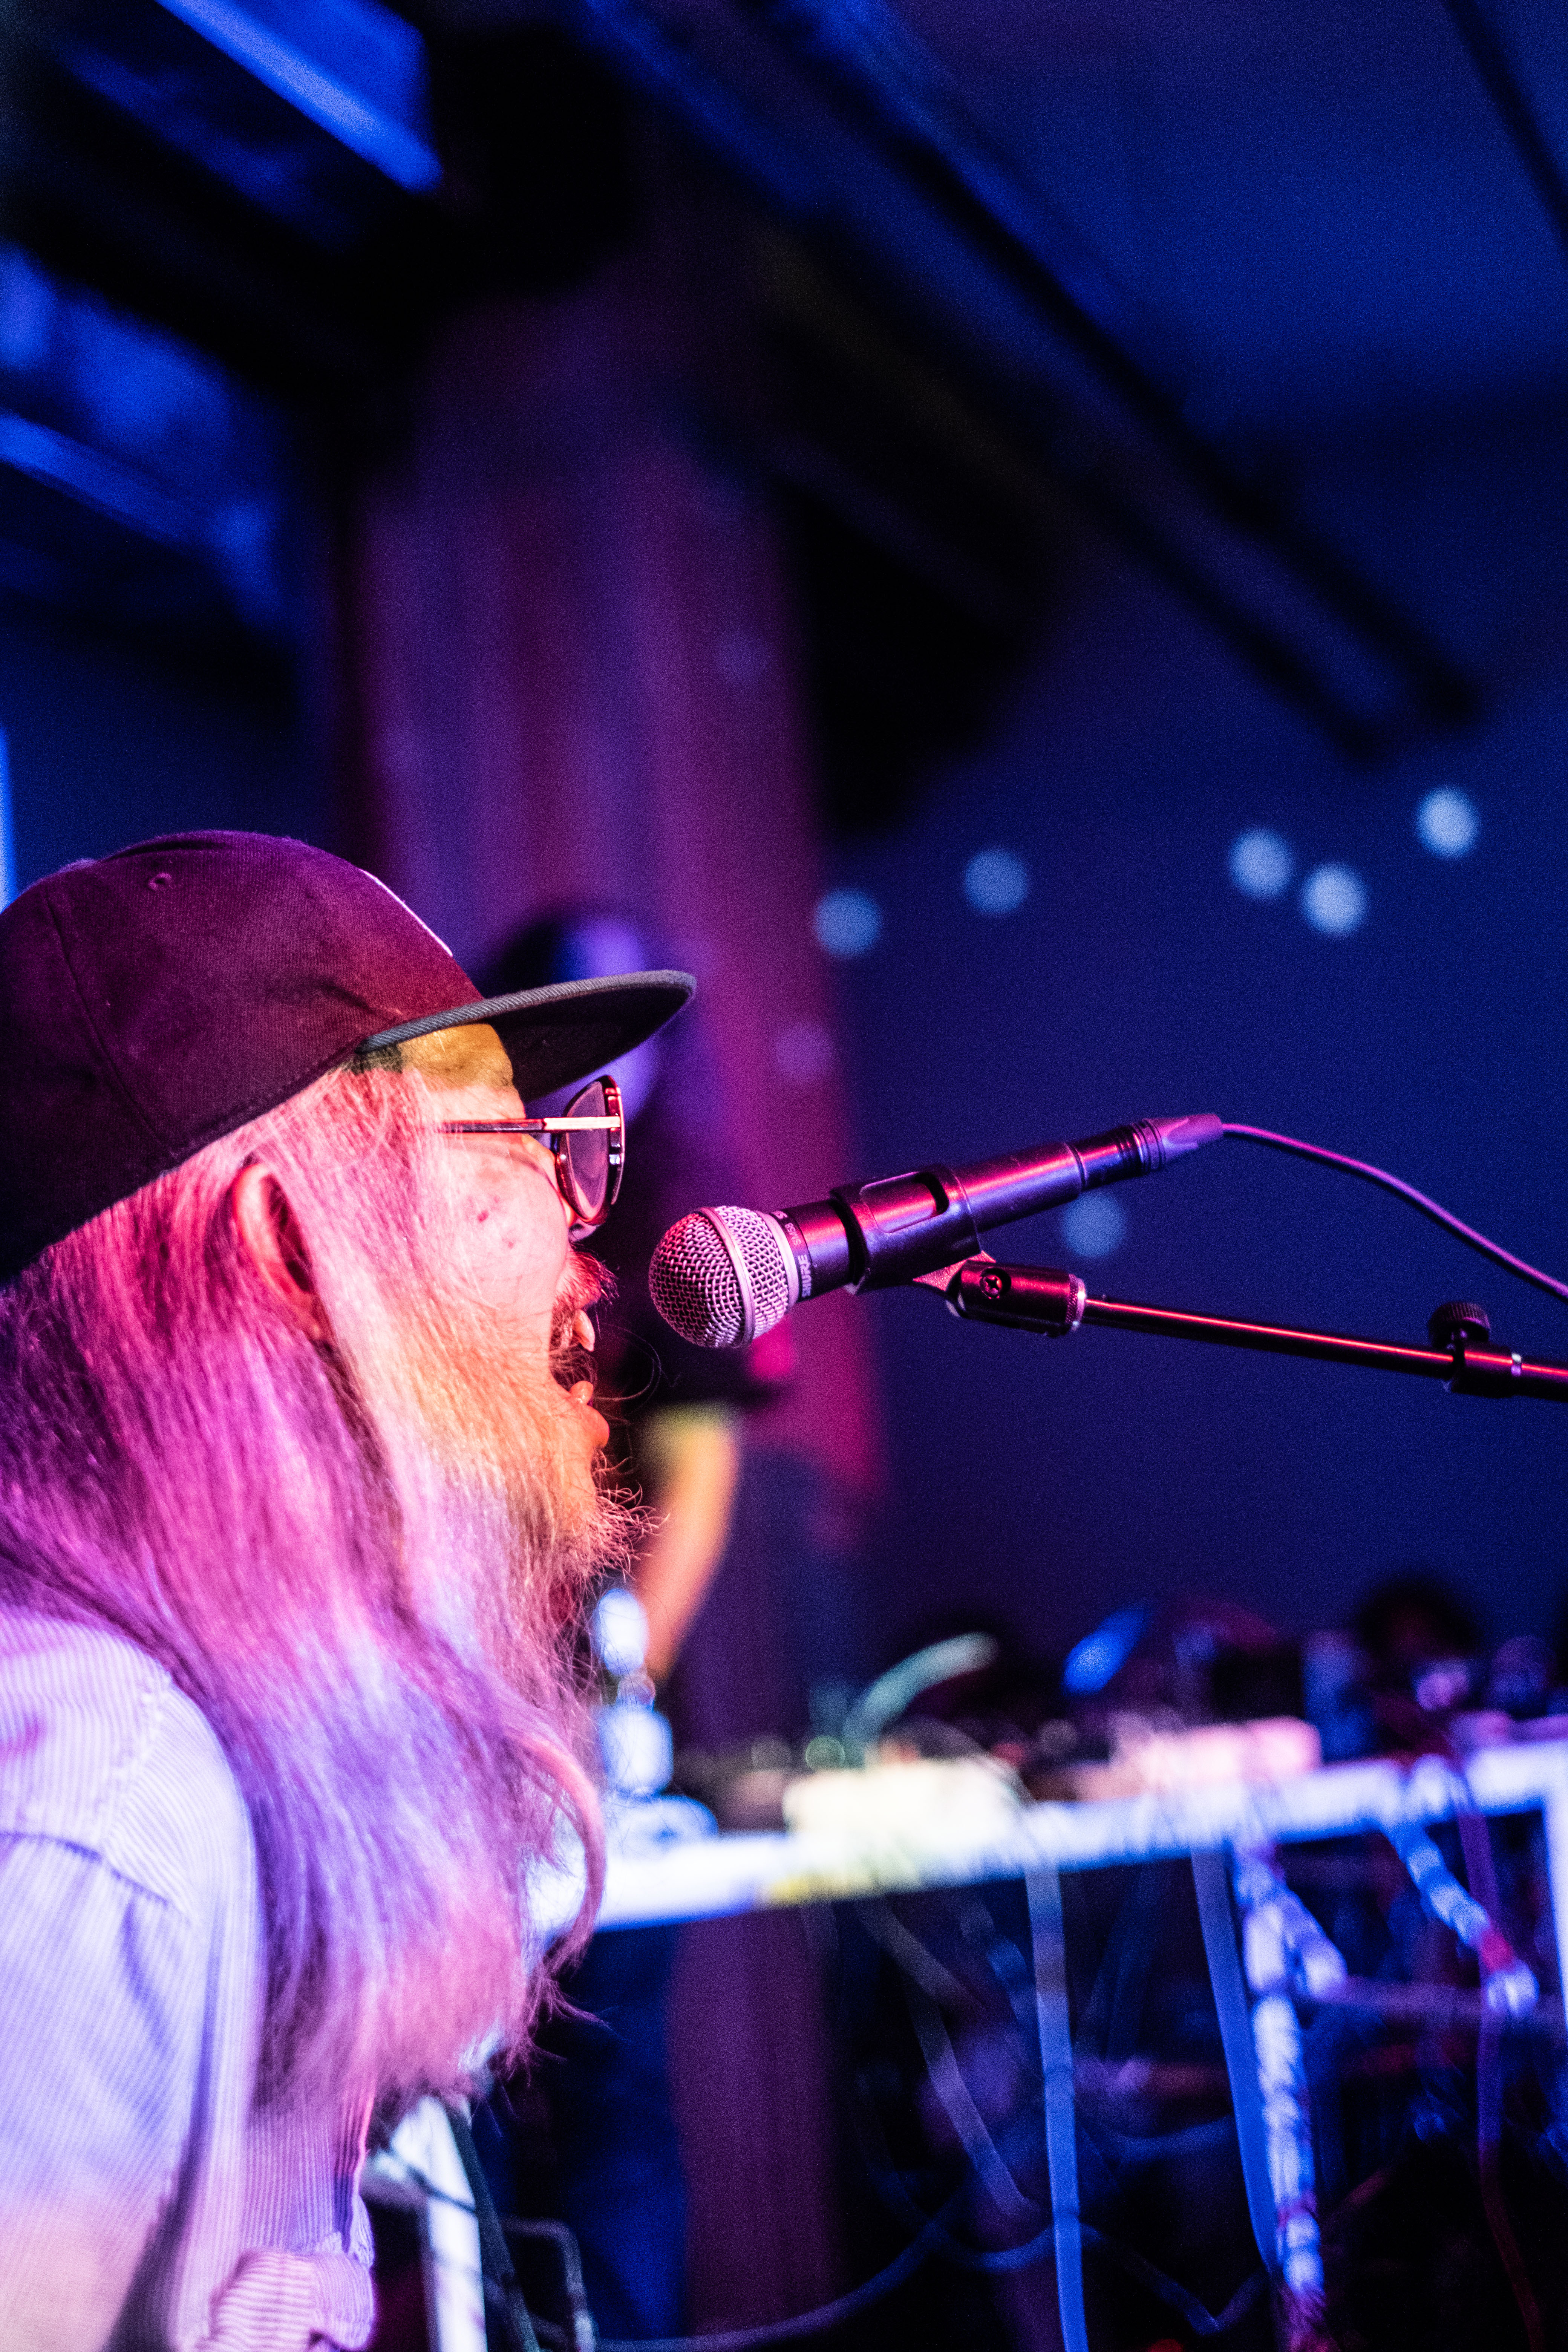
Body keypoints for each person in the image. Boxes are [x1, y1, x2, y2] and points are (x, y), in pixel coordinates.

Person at [0, 831, 693, 2351]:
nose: (581, 1252)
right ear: (287, 1254)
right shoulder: (89, 1823)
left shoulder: (187, 1757)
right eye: (508, 1153)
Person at [474, 909, 790, 2341]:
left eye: (626, 1057)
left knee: (604, 2079)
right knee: (468, 2097)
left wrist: (617, 1684)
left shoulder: (678, 1234)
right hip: (457, 1695)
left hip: (594, 1712)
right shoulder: (475, 1212)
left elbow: (700, 1481)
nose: (598, 1083)